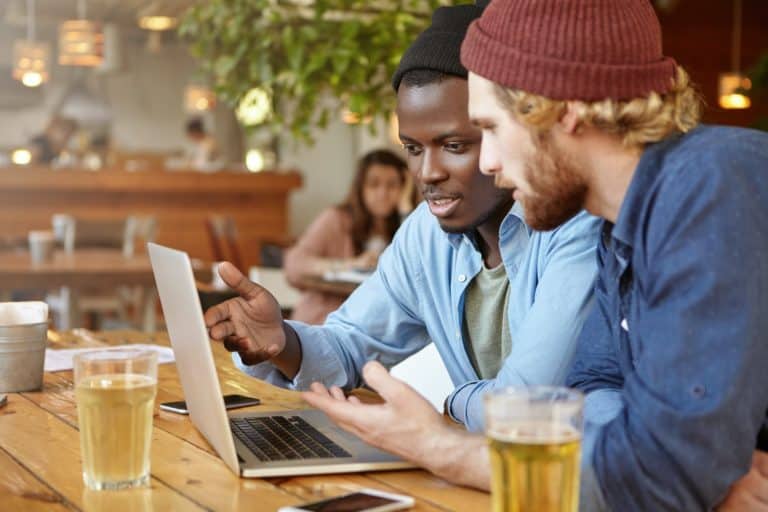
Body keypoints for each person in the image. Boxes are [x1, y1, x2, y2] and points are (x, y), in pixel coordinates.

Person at [304, 0, 768, 509]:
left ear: (564, 109)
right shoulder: (623, 228)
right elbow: (590, 397)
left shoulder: (709, 188)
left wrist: (438, 444)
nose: (489, 163)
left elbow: (663, 474)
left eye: (493, 129)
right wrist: (665, 464)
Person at [204, 2, 601, 433]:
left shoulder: (576, 224)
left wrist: (449, 403)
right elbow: (348, 346)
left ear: (506, 130)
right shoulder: (425, 235)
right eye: (413, 148)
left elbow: (523, 409)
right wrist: (284, 342)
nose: (427, 173)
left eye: (454, 146)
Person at [284, 149, 408, 324]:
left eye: (392, 185)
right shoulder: (336, 219)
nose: (383, 193)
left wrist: (407, 209)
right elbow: (294, 265)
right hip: (326, 323)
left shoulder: (407, 227)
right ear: (360, 187)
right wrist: (350, 265)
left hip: (378, 329)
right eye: (374, 184)